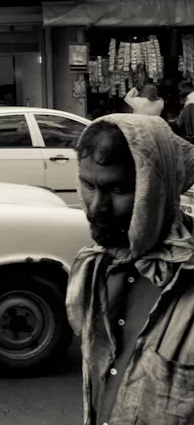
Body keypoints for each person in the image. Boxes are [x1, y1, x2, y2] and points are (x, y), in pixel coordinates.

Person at [67, 115, 194, 425]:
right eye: (88, 185)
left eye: (118, 190)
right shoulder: (95, 270)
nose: (97, 207)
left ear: (156, 186)